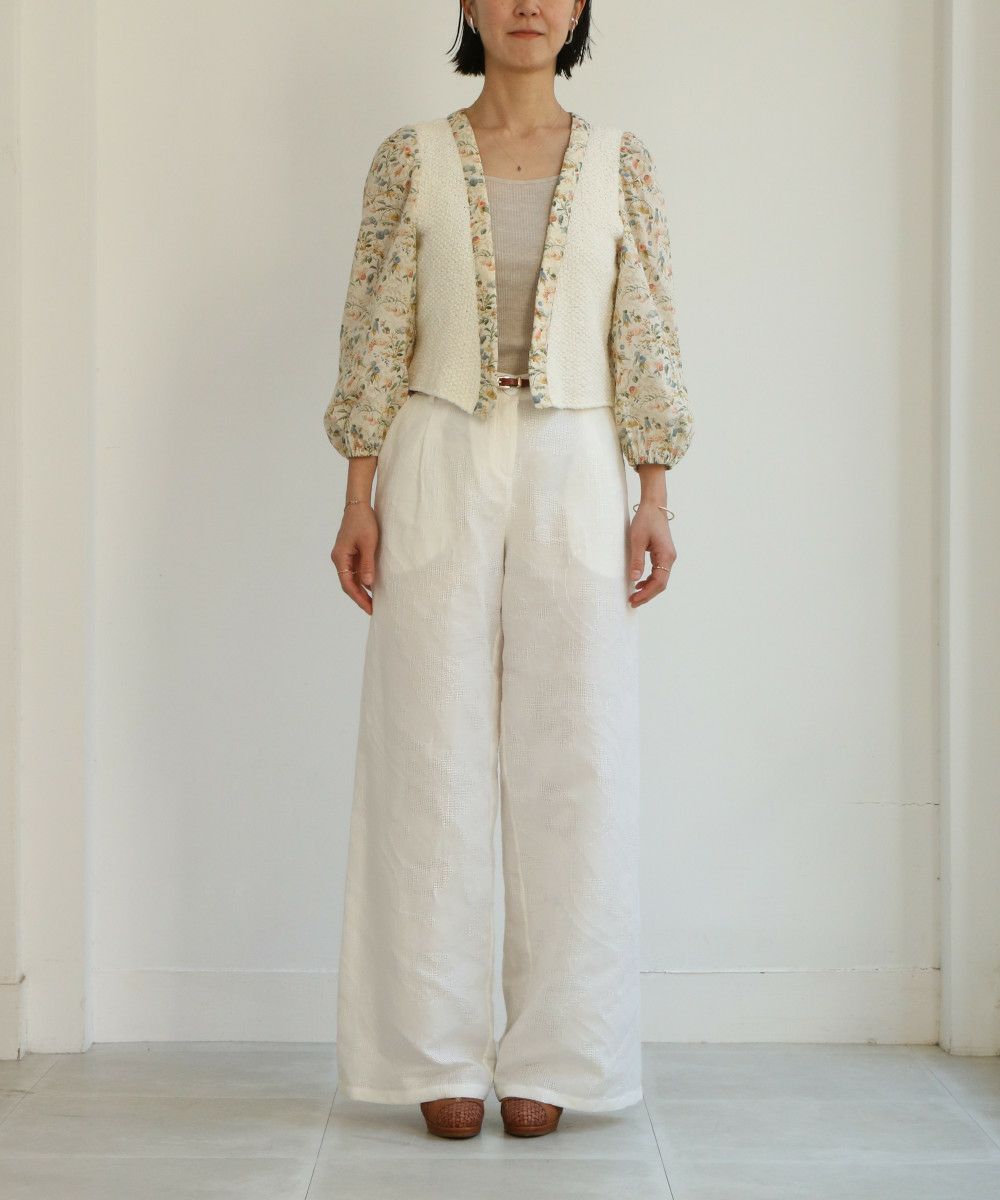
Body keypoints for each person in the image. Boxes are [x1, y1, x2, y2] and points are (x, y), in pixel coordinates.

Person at [323, 0, 693, 1140]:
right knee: (426, 752)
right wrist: (356, 493)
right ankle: (430, 1050)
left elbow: (645, 331)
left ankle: (559, 1052)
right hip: (437, 449)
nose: (528, 2)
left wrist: (653, 493)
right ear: (469, 6)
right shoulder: (412, 158)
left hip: (577, 458)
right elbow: (375, 330)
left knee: (575, 755)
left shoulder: (620, 160)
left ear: (578, 10)